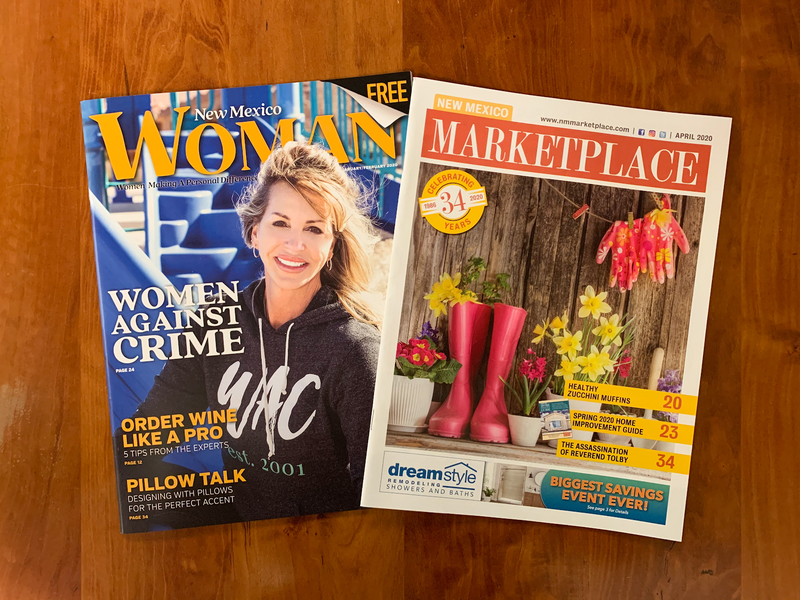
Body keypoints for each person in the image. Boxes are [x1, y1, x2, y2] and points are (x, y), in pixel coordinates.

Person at [118, 143, 382, 528]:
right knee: (129, 486)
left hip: (318, 538)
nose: (295, 244)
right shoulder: (215, 322)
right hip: (236, 518)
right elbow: (152, 429)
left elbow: (371, 496)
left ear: (331, 247)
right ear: (254, 231)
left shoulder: (354, 349)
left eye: (314, 229)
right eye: (280, 223)